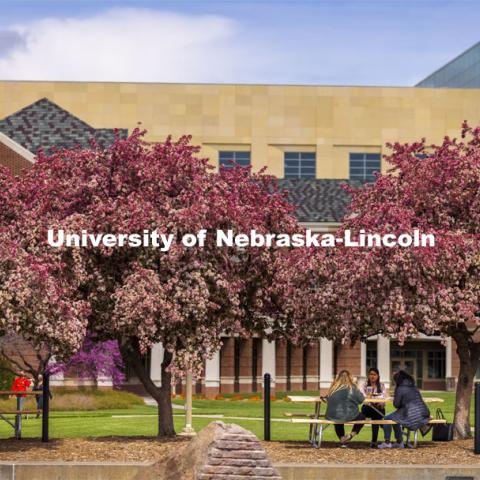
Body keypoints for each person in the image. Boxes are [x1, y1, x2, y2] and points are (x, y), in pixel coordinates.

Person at [378, 370, 430, 449]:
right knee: (395, 418)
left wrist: (397, 396)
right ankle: (399, 442)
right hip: (422, 413)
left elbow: (396, 405)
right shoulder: (414, 387)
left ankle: (387, 442)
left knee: (387, 419)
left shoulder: (400, 388)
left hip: (409, 414)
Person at [325, 370, 365, 447]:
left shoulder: (333, 388)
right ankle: (350, 435)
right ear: (350, 377)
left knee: (338, 418)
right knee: (362, 417)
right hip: (347, 415)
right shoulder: (352, 387)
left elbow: (328, 399)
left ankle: (342, 438)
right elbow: (361, 400)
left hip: (332, 416)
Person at [361, 367, 387, 448]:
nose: (373, 376)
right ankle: (376, 438)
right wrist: (371, 398)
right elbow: (362, 396)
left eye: (375, 374)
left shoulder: (382, 385)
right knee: (377, 416)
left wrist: (380, 402)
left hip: (378, 407)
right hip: (367, 408)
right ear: (368, 376)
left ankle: (374, 441)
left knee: (376, 416)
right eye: (371, 374)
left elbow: (384, 398)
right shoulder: (364, 385)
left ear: (378, 376)